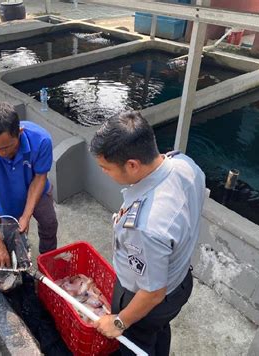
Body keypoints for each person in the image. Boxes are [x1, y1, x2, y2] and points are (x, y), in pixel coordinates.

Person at [90, 111, 206, 355]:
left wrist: (119, 322)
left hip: (145, 301)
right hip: (180, 282)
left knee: (136, 344)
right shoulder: (186, 166)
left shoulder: (144, 225)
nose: (103, 172)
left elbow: (153, 292)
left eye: (105, 167)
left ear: (132, 165)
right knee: (158, 330)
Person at [0, 102, 58, 267]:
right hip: (6, 198)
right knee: (13, 239)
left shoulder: (41, 140)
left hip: (38, 191)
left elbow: (39, 177)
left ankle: (48, 260)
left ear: (20, 132)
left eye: (5, 147)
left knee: (49, 223)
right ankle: (19, 268)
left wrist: (26, 215)